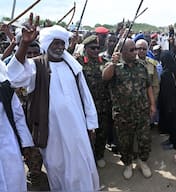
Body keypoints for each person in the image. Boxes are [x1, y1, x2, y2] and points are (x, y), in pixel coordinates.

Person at [7, 14, 100, 191]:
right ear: (47, 44)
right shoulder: (36, 65)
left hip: (77, 129)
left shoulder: (72, 66)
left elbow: (85, 95)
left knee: (81, 166)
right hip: (52, 132)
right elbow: (14, 77)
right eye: (54, 43)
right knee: (58, 168)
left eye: (61, 43)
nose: (58, 47)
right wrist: (24, 44)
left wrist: (91, 124)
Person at [102, 39, 156, 179]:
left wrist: (152, 104)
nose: (136, 52)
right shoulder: (115, 67)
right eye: (132, 50)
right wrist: (113, 63)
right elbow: (105, 77)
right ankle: (127, 164)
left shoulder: (141, 66)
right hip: (123, 115)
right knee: (125, 142)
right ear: (123, 52)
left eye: (136, 49)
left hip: (142, 112)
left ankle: (142, 162)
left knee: (144, 140)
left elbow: (148, 86)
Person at [77, 34, 112, 168]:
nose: (96, 50)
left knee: (102, 132)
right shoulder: (79, 62)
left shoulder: (103, 62)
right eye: (93, 48)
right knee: (86, 134)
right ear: (85, 48)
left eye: (98, 48)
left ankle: (99, 155)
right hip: (85, 106)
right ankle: (87, 156)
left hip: (103, 104)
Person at [0, 60, 34, 191]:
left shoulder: (4, 88)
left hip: (8, 147)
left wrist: (25, 143)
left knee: (14, 182)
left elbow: (18, 116)